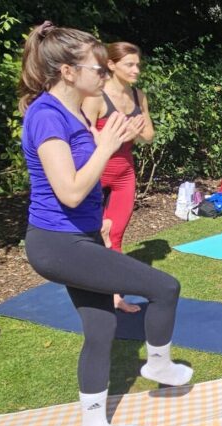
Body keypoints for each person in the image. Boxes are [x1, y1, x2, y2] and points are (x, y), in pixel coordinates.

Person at [18, 22, 193, 426]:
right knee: (164, 287)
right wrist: (107, 146)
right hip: (57, 246)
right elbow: (71, 190)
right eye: (97, 69)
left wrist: (100, 218)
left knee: (100, 331)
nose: (103, 76)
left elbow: (83, 186)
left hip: (80, 236)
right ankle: (157, 364)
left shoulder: (75, 109)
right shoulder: (46, 116)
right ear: (67, 72)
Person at [83, 42, 154, 313]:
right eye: (130, 65)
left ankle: (114, 296)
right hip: (96, 172)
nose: (136, 70)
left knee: (116, 234)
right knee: (93, 234)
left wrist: (130, 132)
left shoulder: (139, 96)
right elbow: (84, 133)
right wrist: (116, 134)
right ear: (111, 65)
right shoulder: (96, 96)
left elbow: (148, 136)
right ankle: (89, 286)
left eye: (138, 64)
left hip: (125, 172)